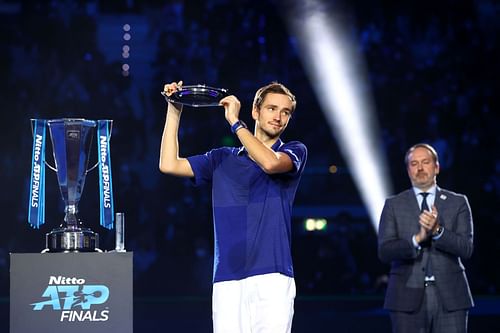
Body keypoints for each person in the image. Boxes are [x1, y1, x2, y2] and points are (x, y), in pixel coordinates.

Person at [159, 81, 307, 333]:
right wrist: (174, 109)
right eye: (272, 108)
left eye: (286, 112)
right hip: (227, 277)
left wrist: (236, 124)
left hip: (272, 276)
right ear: (256, 112)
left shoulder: (294, 151)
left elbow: (270, 164)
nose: (279, 117)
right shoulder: (221, 158)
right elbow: (169, 164)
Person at [378, 143, 474, 333]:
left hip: (450, 298)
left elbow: (466, 248)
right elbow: (385, 251)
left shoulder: (458, 202)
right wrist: (417, 239)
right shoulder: (393, 205)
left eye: (425, 162)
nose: (420, 168)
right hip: (405, 298)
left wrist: (438, 231)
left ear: (436, 167)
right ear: (408, 170)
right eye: (414, 163)